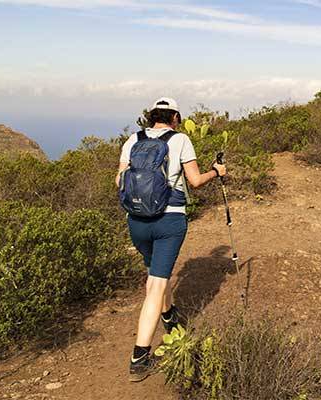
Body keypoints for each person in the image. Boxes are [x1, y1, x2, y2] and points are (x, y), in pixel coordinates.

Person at [116, 97, 227, 382]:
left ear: (152, 116)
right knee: (156, 284)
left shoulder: (133, 139)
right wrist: (217, 171)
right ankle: (140, 357)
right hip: (169, 220)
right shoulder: (180, 140)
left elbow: (119, 181)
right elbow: (195, 181)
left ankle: (168, 315)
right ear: (175, 118)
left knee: (153, 273)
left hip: (137, 221)